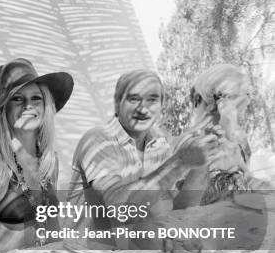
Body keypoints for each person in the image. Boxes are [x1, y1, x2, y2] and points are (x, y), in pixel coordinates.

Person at [66, 69, 222, 241]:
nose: (143, 108)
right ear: (117, 104)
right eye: (134, 99)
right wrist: (180, 162)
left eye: (152, 99)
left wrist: (202, 161)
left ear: (161, 105)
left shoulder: (160, 142)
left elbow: (181, 208)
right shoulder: (98, 140)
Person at [0, 58, 74, 253]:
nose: (28, 105)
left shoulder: (50, 160)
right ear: (4, 108)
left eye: (36, 98)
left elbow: (53, 229)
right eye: (17, 98)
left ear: (46, 107)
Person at [176, 63, 272, 208]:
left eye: (249, 94)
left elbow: (245, 181)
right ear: (222, 100)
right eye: (243, 95)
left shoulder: (239, 141)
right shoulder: (191, 144)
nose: (248, 101)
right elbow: (183, 206)